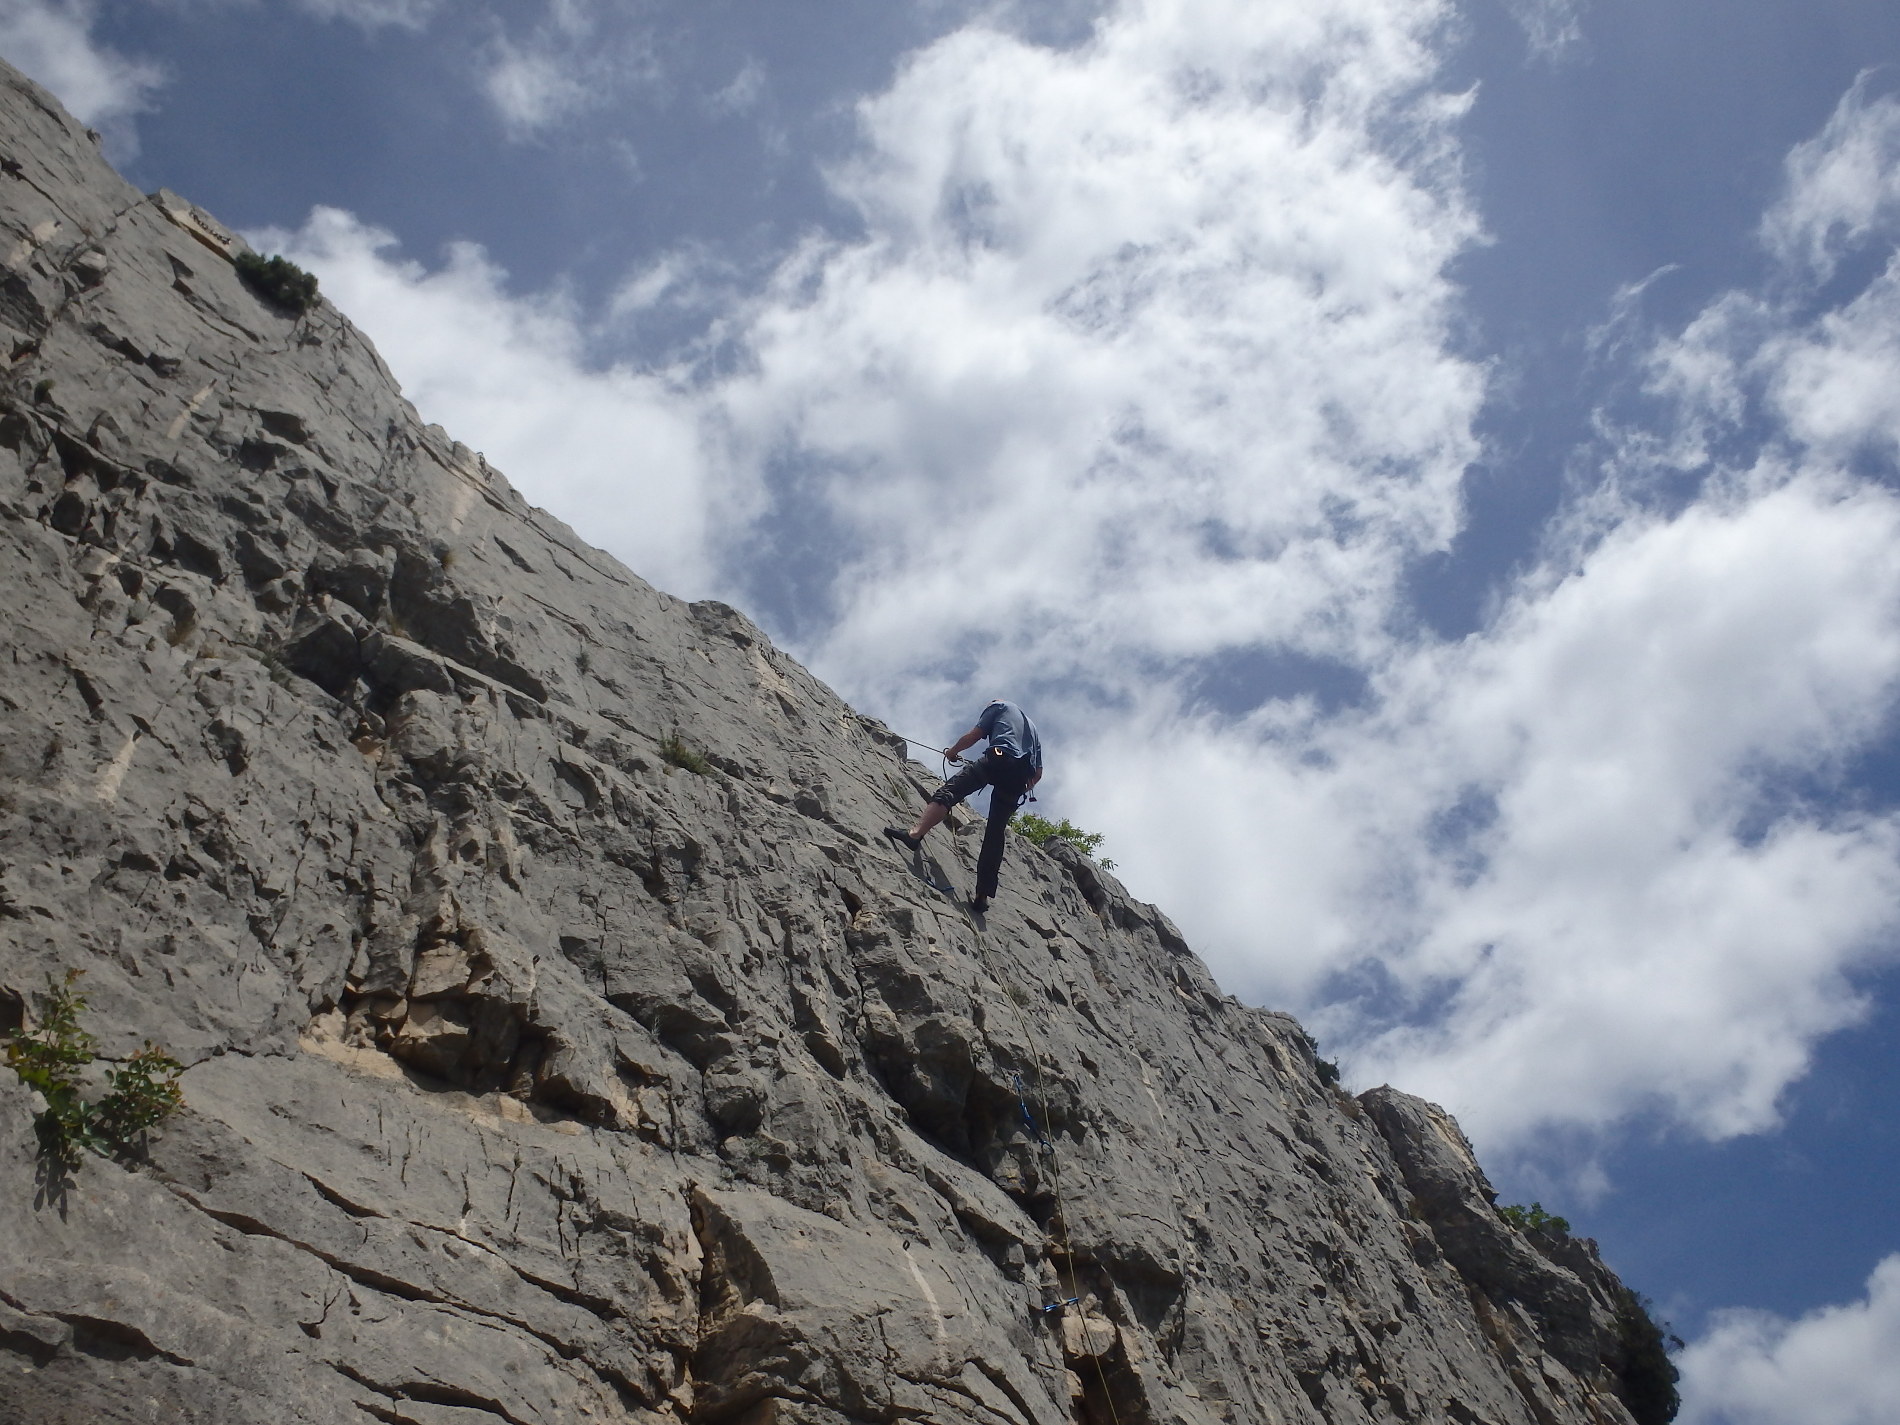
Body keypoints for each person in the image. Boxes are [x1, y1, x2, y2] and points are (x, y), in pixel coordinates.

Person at [885, 698, 1043, 914]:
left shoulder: (999, 707)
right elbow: (1038, 774)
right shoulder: (1032, 729)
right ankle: (982, 895)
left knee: (949, 793)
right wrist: (1019, 790)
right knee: (995, 832)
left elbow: (975, 735)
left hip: (999, 757)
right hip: (1020, 776)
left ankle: (914, 835)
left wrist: (952, 752)